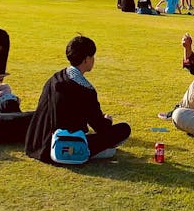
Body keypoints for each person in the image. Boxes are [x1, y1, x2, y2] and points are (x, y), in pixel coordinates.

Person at [24, 35, 132, 163]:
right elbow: (101, 128)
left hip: (37, 143)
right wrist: (107, 121)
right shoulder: (85, 89)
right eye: (92, 57)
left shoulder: (54, 78)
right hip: (62, 147)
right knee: (123, 129)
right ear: (86, 59)